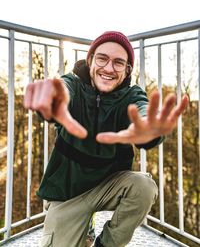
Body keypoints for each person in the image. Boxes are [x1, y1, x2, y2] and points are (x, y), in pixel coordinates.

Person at [24, 31, 188, 247]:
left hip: (107, 186)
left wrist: (150, 126)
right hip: (68, 195)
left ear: (127, 70)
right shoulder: (73, 85)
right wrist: (54, 98)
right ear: (90, 59)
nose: (109, 68)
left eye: (119, 63)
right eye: (102, 58)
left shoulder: (130, 95)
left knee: (143, 187)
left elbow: (142, 109)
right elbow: (63, 89)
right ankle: (85, 225)